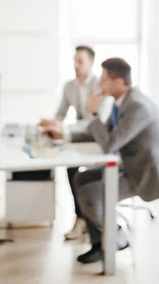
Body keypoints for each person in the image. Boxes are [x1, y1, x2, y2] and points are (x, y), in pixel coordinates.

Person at [43, 58, 159, 263]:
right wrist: (64, 135)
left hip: (146, 174)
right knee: (81, 179)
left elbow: (109, 144)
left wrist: (95, 112)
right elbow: (102, 134)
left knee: (91, 192)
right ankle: (100, 243)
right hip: (131, 166)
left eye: (104, 80)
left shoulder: (137, 106)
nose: (99, 84)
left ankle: (117, 237)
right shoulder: (123, 101)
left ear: (119, 82)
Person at [39, 45, 113, 241]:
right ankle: (80, 218)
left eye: (80, 61)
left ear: (91, 63)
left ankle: (93, 220)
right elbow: (61, 113)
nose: (76, 65)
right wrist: (52, 123)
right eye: (74, 61)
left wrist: (64, 129)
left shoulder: (101, 85)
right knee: (70, 168)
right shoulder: (69, 86)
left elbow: (97, 120)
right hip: (80, 137)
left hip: (98, 139)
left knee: (88, 175)